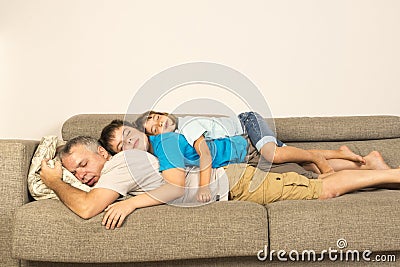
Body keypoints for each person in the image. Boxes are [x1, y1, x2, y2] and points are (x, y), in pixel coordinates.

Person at [40, 135, 400, 231]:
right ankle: (369, 164)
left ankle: (388, 173)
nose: (83, 174)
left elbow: (87, 208)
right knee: (313, 182)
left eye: (84, 164)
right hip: (234, 180)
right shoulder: (115, 170)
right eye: (75, 172)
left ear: (102, 154)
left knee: (325, 189)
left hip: (237, 182)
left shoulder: (120, 164)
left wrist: (56, 181)